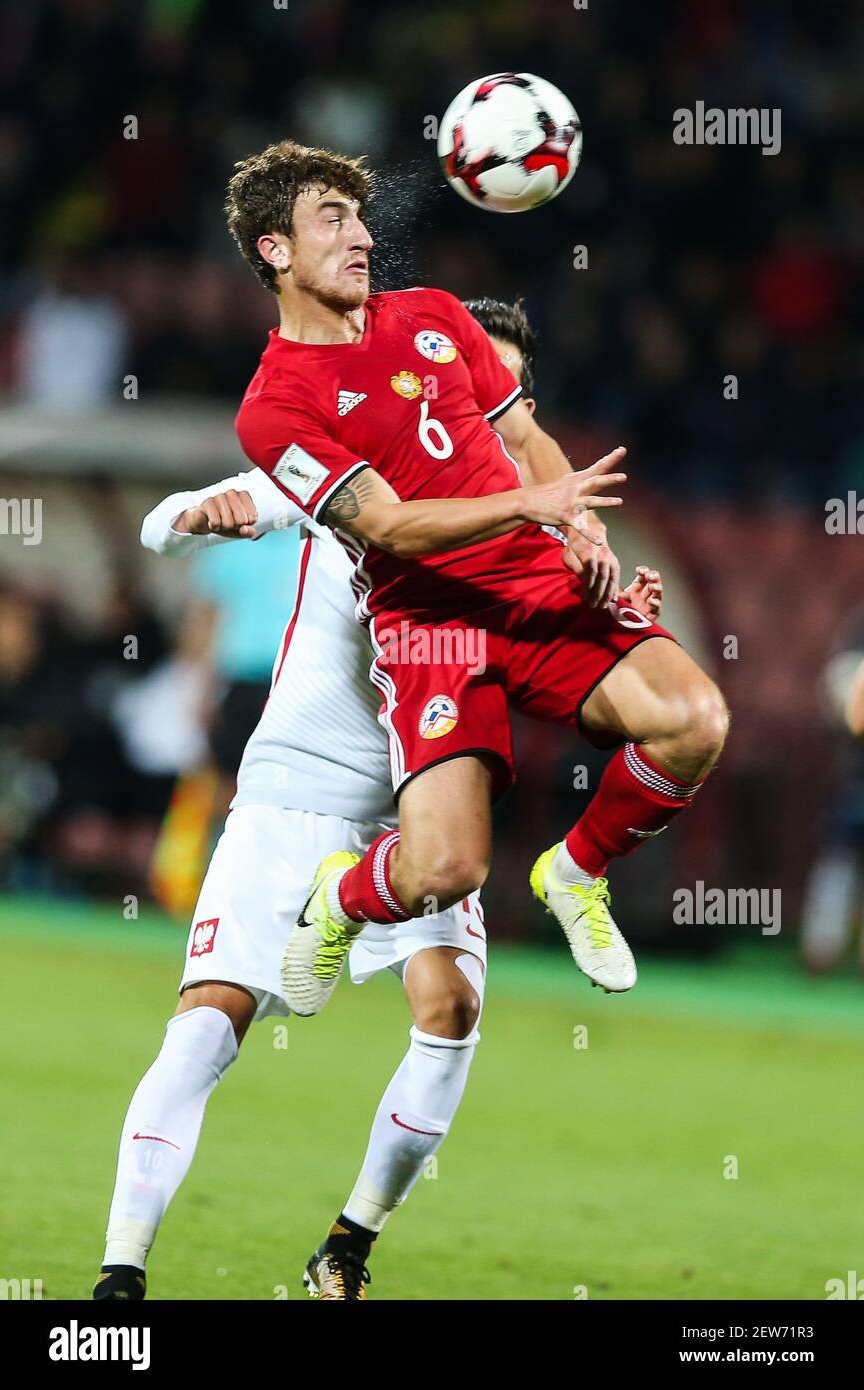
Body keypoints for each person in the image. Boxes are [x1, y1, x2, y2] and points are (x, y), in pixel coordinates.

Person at [93, 296, 662, 1303]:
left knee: (451, 1007)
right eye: (466, 376)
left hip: (417, 808)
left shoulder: (523, 523)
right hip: (298, 788)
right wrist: (192, 518)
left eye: (504, 390)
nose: (480, 404)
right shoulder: (350, 475)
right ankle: (121, 1274)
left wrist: (609, 617)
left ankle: (346, 1246)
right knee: (210, 1020)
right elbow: (172, 522)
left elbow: (538, 653)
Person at [222, 139, 728, 1017]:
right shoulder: (273, 409)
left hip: (535, 584)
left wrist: (576, 524)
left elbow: (526, 442)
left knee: (693, 720)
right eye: (331, 220)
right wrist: (529, 509)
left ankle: (575, 872)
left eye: (361, 218)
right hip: (430, 625)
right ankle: (345, 899)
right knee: (446, 870)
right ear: (275, 250)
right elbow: (385, 526)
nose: (361, 237)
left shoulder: (435, 315)